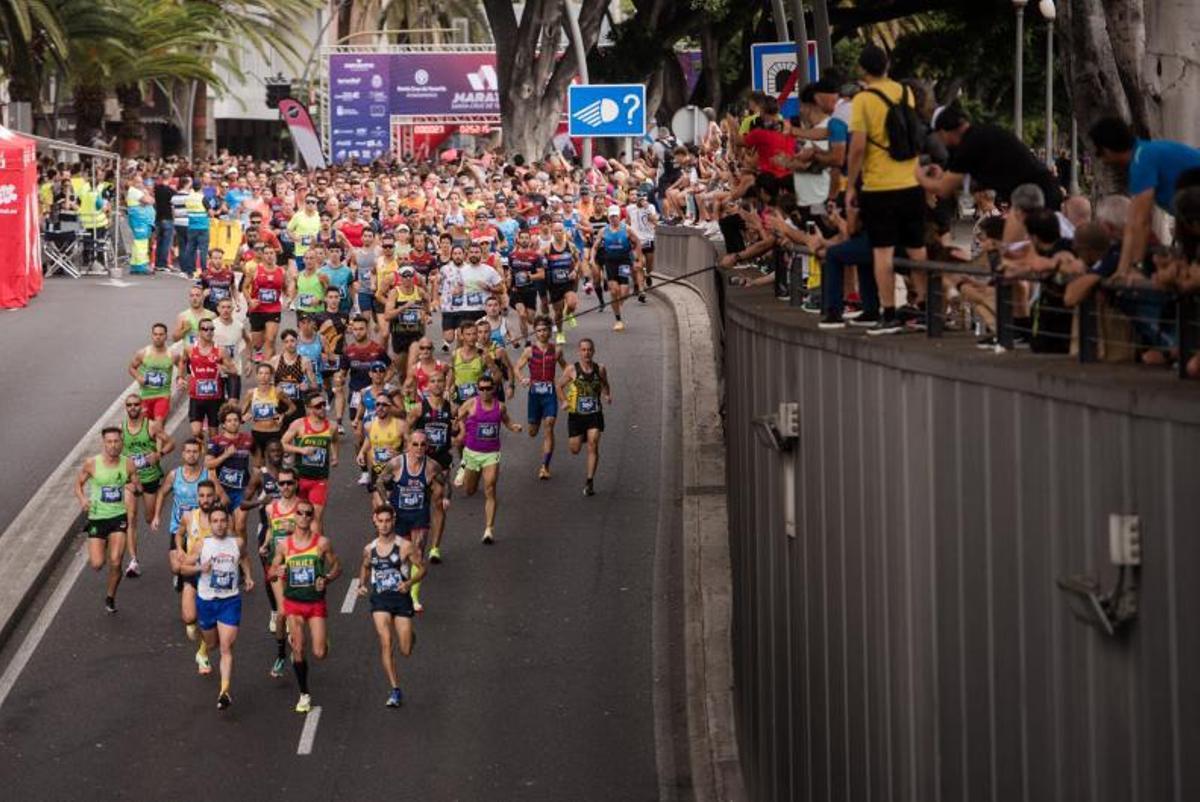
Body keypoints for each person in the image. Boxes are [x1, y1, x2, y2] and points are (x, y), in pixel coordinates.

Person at [845, 44, 929, 334]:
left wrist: (850, 185)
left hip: (879, 186)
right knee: (917, 249)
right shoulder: (904, 92)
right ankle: (924, 309)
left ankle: (890, 312)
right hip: (911, 183)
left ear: (863, 70)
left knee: (883, 252)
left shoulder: (863, 100)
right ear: (887, 65)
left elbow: (857, 148)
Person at [1088, 116, 1200, 280]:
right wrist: (1122, 270)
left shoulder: (1142, 160)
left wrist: (1136, 268)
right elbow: (1133, 222)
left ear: (1106, 150)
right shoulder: (1145, 153)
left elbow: (1141, 221)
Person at [269, 498, 341, 714]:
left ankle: (323, 641)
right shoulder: (284, 545)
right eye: (299, 513)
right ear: (294, 516)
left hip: (315, 603)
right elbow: (272, 570)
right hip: (293, 603)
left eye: (308, 513)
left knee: (319, 653)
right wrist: (277, 571)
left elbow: (337, 566)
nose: (303, 517)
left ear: (312, 517)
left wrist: (327, 578)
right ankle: (304, 694)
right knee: (298, 647)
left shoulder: (322, 543)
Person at [180, 506, 254, 710]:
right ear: (210, 523)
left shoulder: (237, 543)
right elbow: (183, 567)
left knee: (226, 647)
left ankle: (224, 691)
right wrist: (199, 568)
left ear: (228, 522)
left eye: (223, 520)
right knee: (211, 643)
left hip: (230, 601)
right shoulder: (202, 544)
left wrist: (248, 576)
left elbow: (245, 557)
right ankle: (203, 650)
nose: (220, 524)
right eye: (215, 521)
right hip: (207, 601)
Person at [918, 105, 1062, 210]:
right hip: (1038, 194)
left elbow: (944, 190)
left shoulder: (968, 146)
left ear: (943, 131)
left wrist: (918, 176)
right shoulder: (981, 134)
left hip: (1038, 199)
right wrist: (943, 175)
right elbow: (963, 180)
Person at [357, 505, 424, 707]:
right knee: (386, 641)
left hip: (401, 599)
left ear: (393, 521)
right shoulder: (369, 549)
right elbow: (365, 566)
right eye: (381, 521)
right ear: (375, 521)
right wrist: (361, 584)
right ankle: (395, 690)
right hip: (380, 600)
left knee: (405, 649)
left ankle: (411, 636)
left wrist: (409, 583)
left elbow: (421, 569)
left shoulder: (405, 546)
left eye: (388, 520)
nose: (384, 525)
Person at [74, 427, 141, 613]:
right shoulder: (92, 464)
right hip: (97, 517)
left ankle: (110, 596)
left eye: (116, 441)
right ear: (104, 444)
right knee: (96, 564)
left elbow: (137, 485)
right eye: (109, 442)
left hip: (118, 516)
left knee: (116, 561)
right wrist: (82, 499)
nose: (113, 445)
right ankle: (100, 542)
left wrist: (135, 488)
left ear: (122, 443)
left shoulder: (128, 464)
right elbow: (78, 484)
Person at [378, 431, 443, 612]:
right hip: (399, 515)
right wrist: (386, 502)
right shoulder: (397, 463)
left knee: (418, 553)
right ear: (408, 445)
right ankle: (401, 585)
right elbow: (380, 482)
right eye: (415, 444)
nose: (419, 448)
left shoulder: (432, 466)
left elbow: (444, 482)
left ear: (427, 447)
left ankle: (413, 596)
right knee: (401, 556)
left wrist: (444, 498)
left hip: (419, 515)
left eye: (423, 445)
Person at [453, 375, 521, 544]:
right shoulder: (471, 404)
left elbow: (507, 422)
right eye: (481, 388)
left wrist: (514, 427)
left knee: (490, 487)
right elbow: (457, 419)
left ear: (494, 389)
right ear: (478, 389)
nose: (484, 392)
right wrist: (459, 428)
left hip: (491, 454)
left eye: (488, 388)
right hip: (472, 453)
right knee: (469, 490)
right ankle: (464, 465)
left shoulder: (501, 407)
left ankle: (489, 529)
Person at [121, 392, 174, 578]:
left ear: (141, 407)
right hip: (131, 479)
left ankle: (161, 494)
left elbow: (171, 443)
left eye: (136, 404)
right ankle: (133, 561)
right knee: (130, 518)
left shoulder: (151, 426)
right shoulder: (122, 429)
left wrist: (159, 455)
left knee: (149, 518)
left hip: (150, 477)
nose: (133, 408)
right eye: (129, 405)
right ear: (126, 408)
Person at [171, 480, 220, 674]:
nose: (205, 500)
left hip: (214, 577)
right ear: (197, 497)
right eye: (202, 496)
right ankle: (200, 638)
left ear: (214, 497)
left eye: (209, 496)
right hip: (193, 570)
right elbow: (179, 533)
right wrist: (180, 548)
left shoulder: (221, 520)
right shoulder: (189, 517)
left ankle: (203, 653)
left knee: (213, 632)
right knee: (189, 618)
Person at [408, 369, 455, 563]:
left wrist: (458, 437)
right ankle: (415, 541)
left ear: (445, 384)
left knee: (438, 503)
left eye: (440, 381)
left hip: (441, 461)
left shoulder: (452, 407)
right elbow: (407, 431)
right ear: (427, 386)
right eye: (433, 381)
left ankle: (435, 548)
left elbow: (459, 431)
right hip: (422, 461)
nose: (436, 384)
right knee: (418, 502)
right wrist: (410, 452)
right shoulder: (419, 408)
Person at [558, 338, 612, 497]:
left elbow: (605, 384)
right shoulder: (571, 370)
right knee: (574, 449)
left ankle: (589, 481)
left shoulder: (600, 369)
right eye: (583, 350)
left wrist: (607, 395)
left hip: (594, 414)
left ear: (593, 351)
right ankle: (581, 436)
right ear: (579, 352)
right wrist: (564, 401)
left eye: (589, 350)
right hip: (576, 415)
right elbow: (559, 386)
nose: (586, 353)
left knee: (593, 444)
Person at [516, 316, 568, 479]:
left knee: (549, 425)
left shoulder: (557, 350)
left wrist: (565, 381)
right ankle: (535, 422)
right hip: (534, 395)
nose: (542, 333)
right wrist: (522, 379)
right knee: (532, 431)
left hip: (550, 393)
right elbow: (517, 367)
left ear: (549, 331)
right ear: (535, 333)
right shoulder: (529, 351)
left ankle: (545, 466)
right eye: (538, 330)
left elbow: (566, 367)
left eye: (545, 330)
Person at [281, 391, 339, 529]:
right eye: (318, 406)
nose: (322, 408)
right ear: (309, 408)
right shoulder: (299, 424)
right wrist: (301, 450)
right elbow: (282, 444)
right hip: (299, 479)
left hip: (319, 480)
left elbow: (335, 441)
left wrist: (335, 456)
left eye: (324, 404)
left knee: (315, 519)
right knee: (299, 519)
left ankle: (317, 550)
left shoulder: (332, 426)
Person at [177, 317, 237, 442]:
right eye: (205, 329)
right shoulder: (190, 349)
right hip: (196, 397)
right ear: (199, 331)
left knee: (213, 436)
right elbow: (182, 362)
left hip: (214, 399)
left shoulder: (220, 351)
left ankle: (211, 457)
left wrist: (224, 369)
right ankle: (201, 452)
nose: (209, 332)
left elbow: (234, 370)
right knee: (196, 432)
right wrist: (180, 378)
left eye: (212, 329)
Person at [591, 205, 642, 331]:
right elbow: (595, 246)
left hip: (624, 261)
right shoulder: (604, 231)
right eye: (611, 216)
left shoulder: (626, 229)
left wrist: (637, 259)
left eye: (616, 216)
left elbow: (638, 242)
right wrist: (592, 259)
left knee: (624, 291)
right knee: (614, 291)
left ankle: (618, 304)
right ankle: (618, 319)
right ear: (608, 217)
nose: (614, 218)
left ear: (620, 217)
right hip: (610, 262)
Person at [206, 404, 255, 535]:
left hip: (241, 490)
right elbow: (208, 464)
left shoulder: (248, 439)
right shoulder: (215, 441)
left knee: (240, 526)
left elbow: (258, 460)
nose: (233, 423)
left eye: (235, 420)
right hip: (222, 490)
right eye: (229, 421)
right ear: (223, 424)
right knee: (227, 528)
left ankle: (242, 555)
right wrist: (225, 455)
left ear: (240, 421)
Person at [128, 322, 174, 430]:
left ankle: (160, 447)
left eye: (161, 334)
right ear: (152, 335)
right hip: (145, 396)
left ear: (166, 336)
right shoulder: (143, 353)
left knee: (158, 427)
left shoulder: (172, 354)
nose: (158, 337)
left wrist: (180, 377)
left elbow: (182, 364)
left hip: (163, 396)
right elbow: (131, 368)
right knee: (145, 429)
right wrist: (138, 377)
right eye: (155, 334)